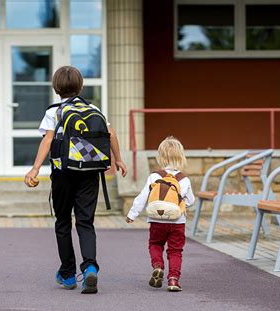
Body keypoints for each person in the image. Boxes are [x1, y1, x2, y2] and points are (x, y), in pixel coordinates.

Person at [24, 65, 128, 294]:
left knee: (63, 222)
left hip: (63, 173)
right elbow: (111, 133)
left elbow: (48, 140)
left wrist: (35, 169)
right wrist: (118, 159)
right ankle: (90, 267)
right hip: (90, 173)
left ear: (56, 88)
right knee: (85, 222)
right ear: (81, 86)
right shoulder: (93, 108)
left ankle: (68, 274)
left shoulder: (54, 111)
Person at [126, 136, 195, 292]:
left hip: (156, 220)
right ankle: (173, 280)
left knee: (155, 244)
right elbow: (191, 201)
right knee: (175, 251)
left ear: (161, 157)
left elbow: (143, 197)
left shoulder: (154, 176)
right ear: (180, 156)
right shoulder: (184, 180)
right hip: (177, 222)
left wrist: (132, 214)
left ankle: (158, 266)